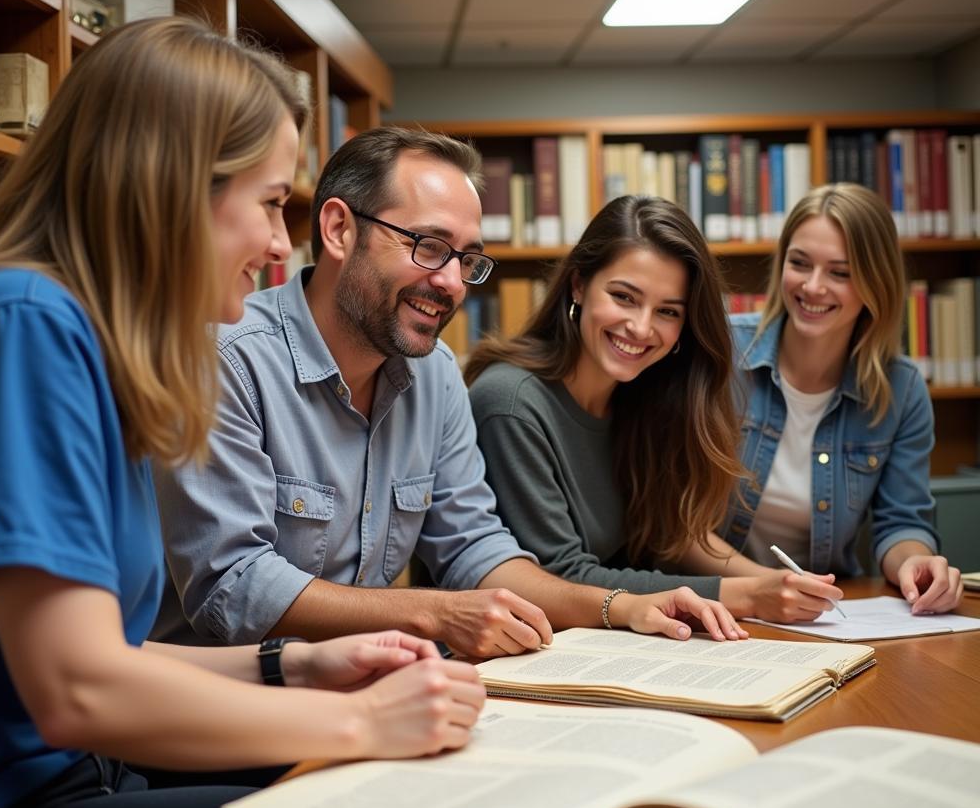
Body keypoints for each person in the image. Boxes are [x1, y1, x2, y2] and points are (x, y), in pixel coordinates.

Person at [0, 17, 486, 808]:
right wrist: (360, 722)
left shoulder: (88, 347)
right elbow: (77, 690)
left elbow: (111, 653)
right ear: (170, 189)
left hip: (76, 788)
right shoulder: (24, 323)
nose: (283, 247)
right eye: (271, 202)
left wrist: (295, 665)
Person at [153, 128, 746, 657]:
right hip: (227, 716)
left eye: (467, 260)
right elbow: (233, 588)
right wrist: (435, 613)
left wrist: (619, 607)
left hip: (366, 689)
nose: (451, 282)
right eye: (429, 247)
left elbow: (475, 549)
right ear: (338, 229)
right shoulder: (227, 359)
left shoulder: (434, 371)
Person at [465, 195, 847, 624]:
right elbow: (561, 577)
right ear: (578, 285)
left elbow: (668, 533)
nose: (642, 328)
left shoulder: (641, 393)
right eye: (624, 297)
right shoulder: (511, 403)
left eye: (667, 311)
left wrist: (771, 584)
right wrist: (749, 595)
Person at [719, 182, 963, 614]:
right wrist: (765, 587)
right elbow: (674, 522)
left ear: (875, 281)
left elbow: (901, 521)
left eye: (840, 272)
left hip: (821, 615)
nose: (813, 287)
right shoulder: (720, 355)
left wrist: (916, 563)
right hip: (717, 600)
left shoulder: (901, 390)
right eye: (800, 264)